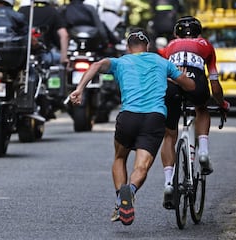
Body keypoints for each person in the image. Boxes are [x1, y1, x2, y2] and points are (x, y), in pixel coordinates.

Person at [69, 28, 196, 226]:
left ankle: (121, 198)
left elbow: (96, 65)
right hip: (154, 118)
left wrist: (79, 89)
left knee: (120, 157)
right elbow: (190, 86)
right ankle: (132, 190)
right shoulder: (163, 63)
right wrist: (176, 77)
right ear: (149, 46)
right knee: (141, 166)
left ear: (128, 48)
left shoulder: (121, 62)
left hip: (128, 117)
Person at [158, 16, 230, 209]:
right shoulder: (206, 45)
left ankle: (167, 182)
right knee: (201, 108)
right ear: (199, 33)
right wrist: (221, 103)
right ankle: (204, 153)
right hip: (196, 85)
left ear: (176, 33)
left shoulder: (168, 48)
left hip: (171, 87)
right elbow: (214, 83)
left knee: (169, 136)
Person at [18, 0, 69, 65]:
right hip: (43, 54)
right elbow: (64, 35)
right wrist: (64, 58)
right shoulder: (52, 12)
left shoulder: (22, 10)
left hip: (23, 56)